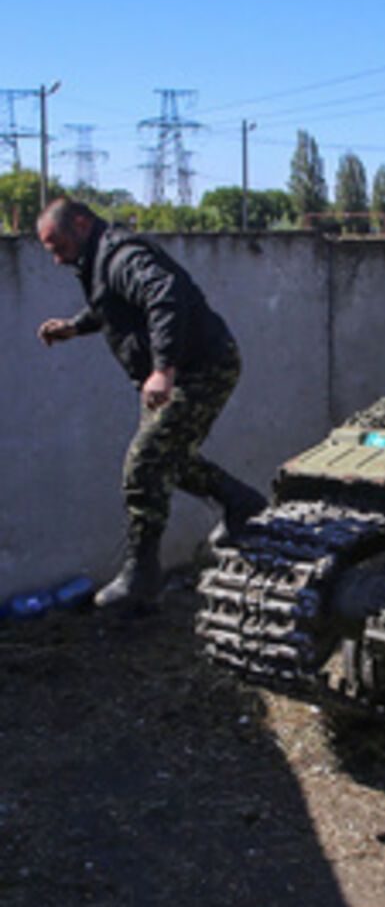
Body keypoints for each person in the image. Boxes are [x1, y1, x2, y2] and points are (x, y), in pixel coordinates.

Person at [35, 197, 266, 611]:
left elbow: (165, 295)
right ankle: (243, 503)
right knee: (166, 461)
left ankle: (141, 576)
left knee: (145, 464)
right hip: (180, 369)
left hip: (201, 367)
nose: (56, 259)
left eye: (58, 246)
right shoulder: (101, 260)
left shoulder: (122, 254)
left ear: (82, 224)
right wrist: (74, 327)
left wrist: (164, 369)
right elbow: (112, 303)